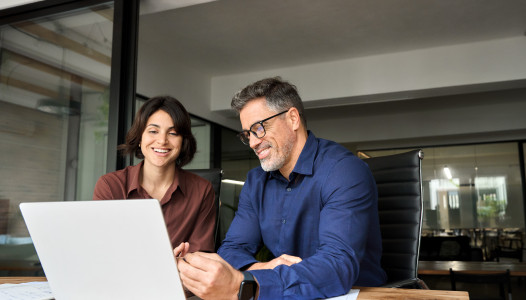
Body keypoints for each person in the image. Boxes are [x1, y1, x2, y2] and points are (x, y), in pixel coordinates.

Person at [177, 77, 387, 299]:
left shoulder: (344, 171)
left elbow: (335, 268)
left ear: (293, 118)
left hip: (357, 294)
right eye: (247, 134)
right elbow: (231, 251)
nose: (252, 143)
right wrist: (261, 271)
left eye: (259, 128)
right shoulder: (256, 181)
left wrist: (248, 283)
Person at [93, 96, 216, 253]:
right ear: (139, 138)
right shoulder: (110, 186)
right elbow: (101, 249)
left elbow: (201, 256)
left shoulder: (202, 190)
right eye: (153, 131)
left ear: (183, 141)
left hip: (178, 278)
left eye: (173, 133)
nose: (162, 140)